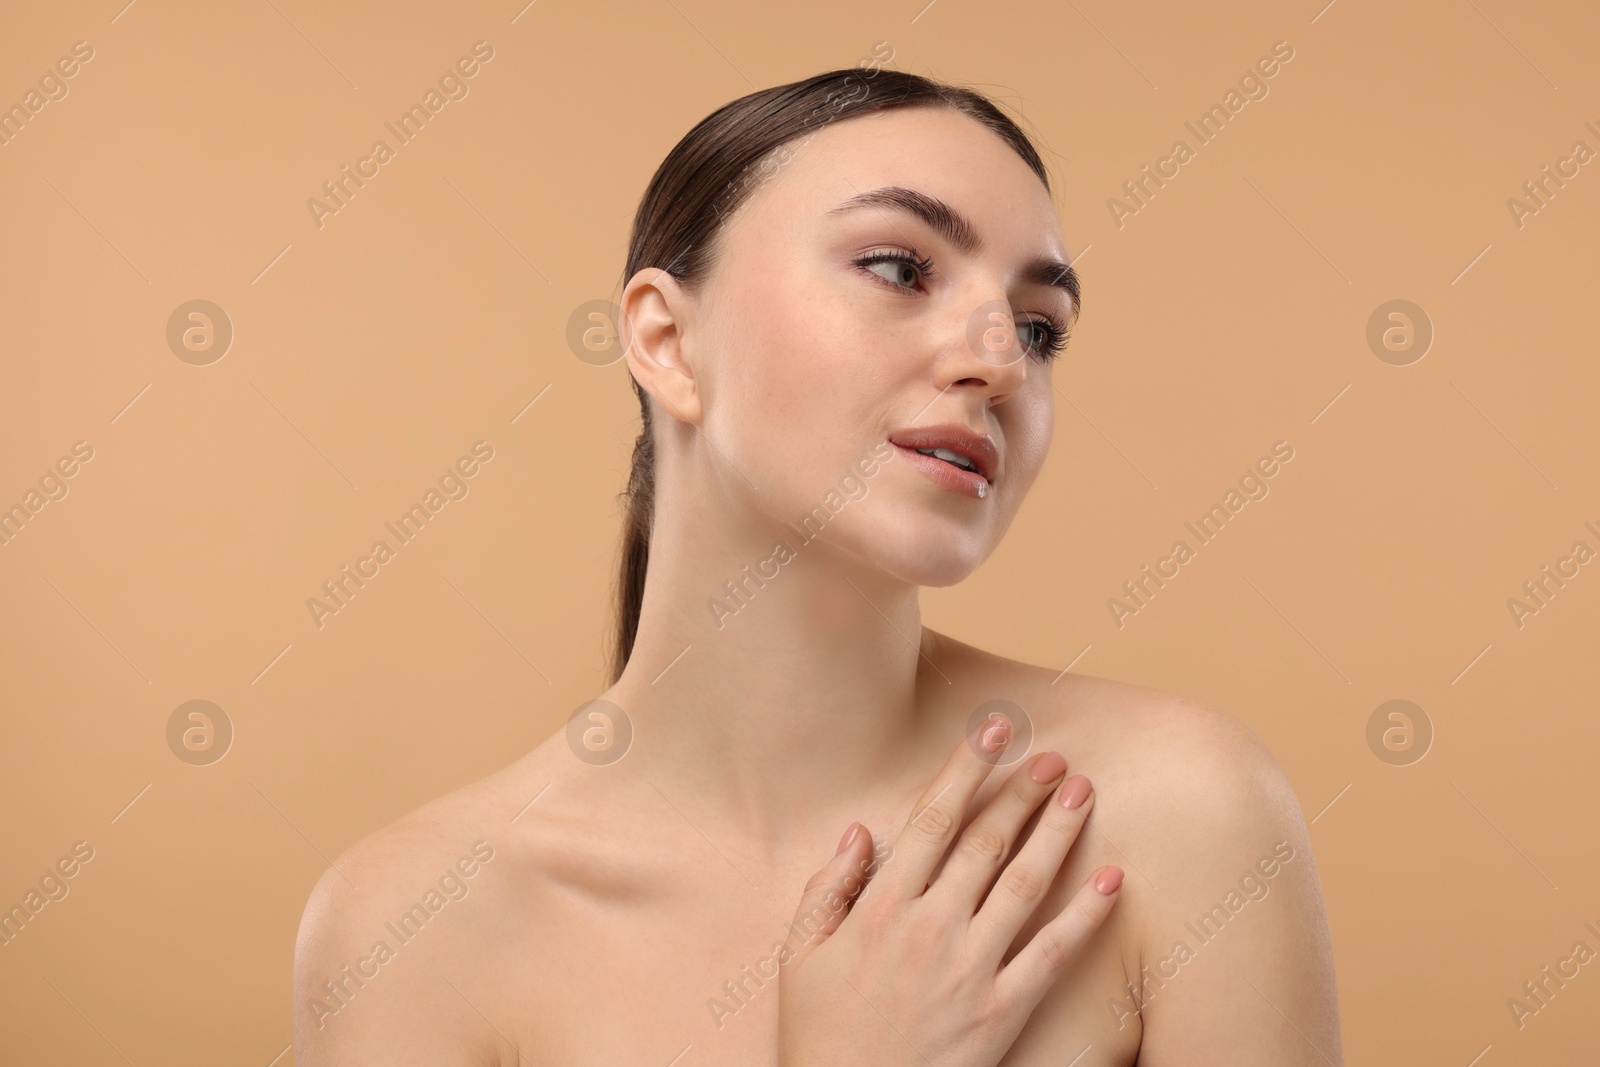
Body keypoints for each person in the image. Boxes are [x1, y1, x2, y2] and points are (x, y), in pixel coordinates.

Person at [293, 66, 1342, 1065]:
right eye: (899, 267)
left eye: (1038, 326)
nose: (998, 359)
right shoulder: (415, 920)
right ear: (665, 339)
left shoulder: (1170, 813)